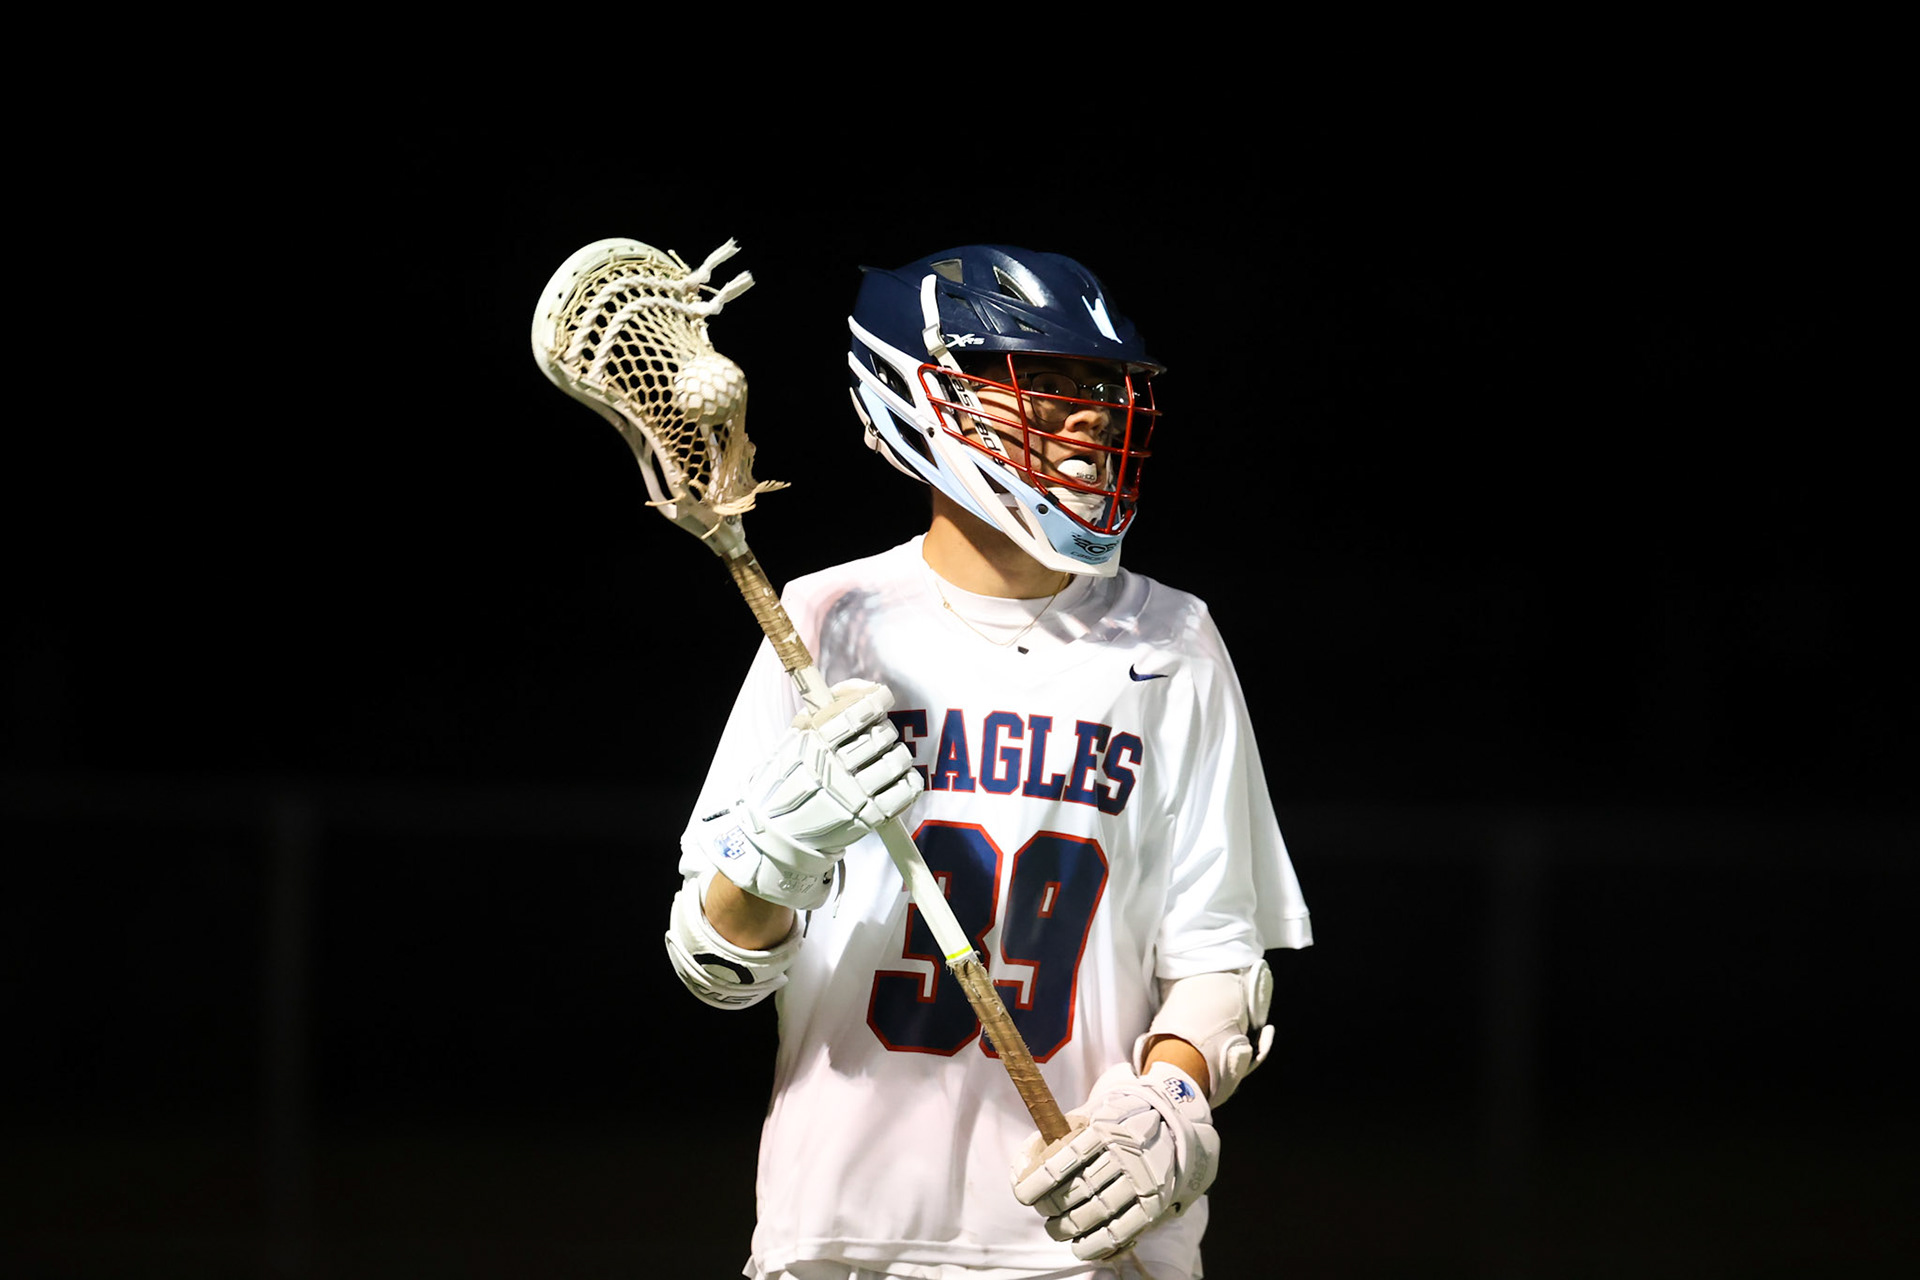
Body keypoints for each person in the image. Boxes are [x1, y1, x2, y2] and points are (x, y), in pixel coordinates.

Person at [665, 245, 1312, 1280]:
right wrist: (777, 851)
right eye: (1045, 385)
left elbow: (1219, 953)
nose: (1093, 414)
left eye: (1102, 387)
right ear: (924, 396)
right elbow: (716, 959)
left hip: (1089, 1243)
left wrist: (1170, 1099)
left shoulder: (1172, 640)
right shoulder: (830, 621)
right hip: (844, 1237)